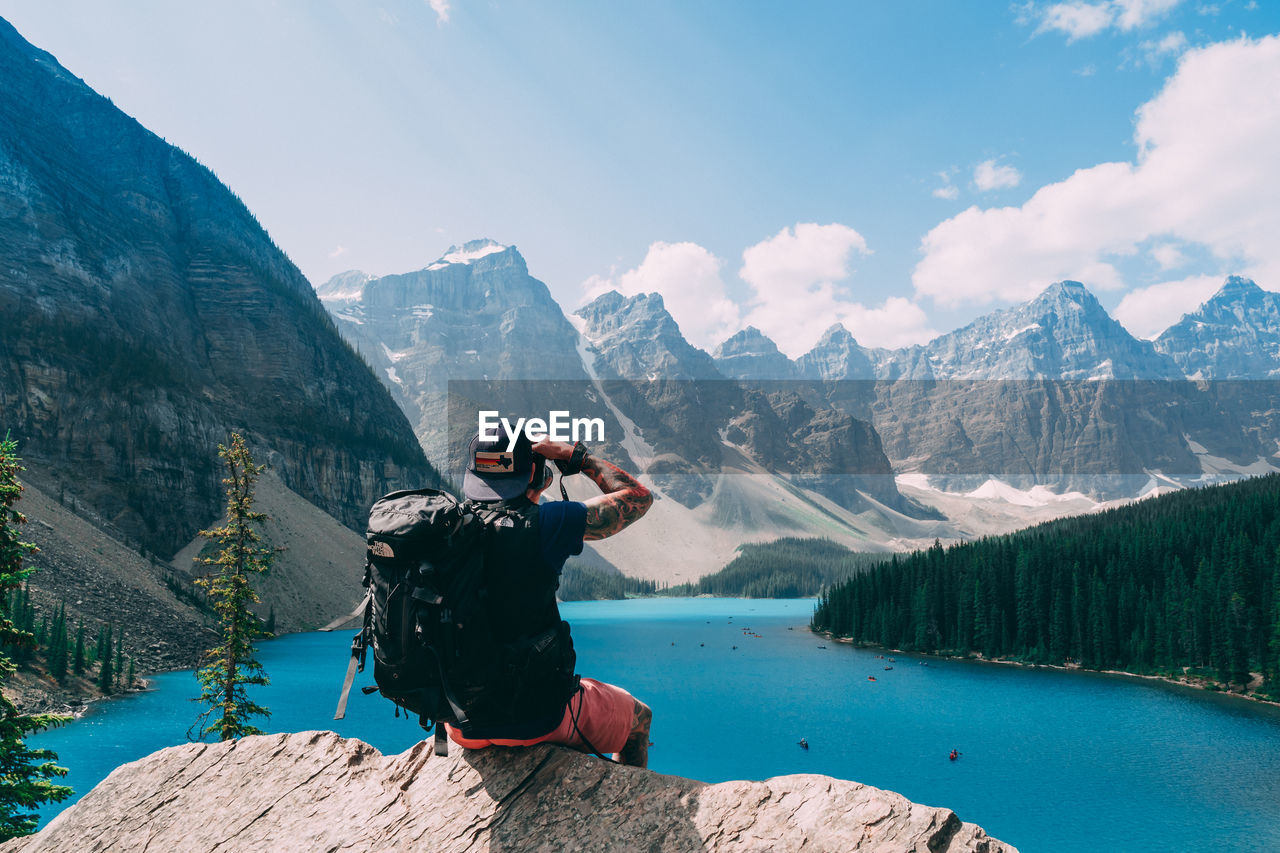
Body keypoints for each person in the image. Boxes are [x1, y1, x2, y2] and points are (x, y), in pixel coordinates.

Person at [443, 425, 655, 767]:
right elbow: (638, 497)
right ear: (536, 473)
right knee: (640, 719)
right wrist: (573, 455)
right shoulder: (548, 524)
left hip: (459, 722)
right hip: (537, 719)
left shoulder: (446, 528)